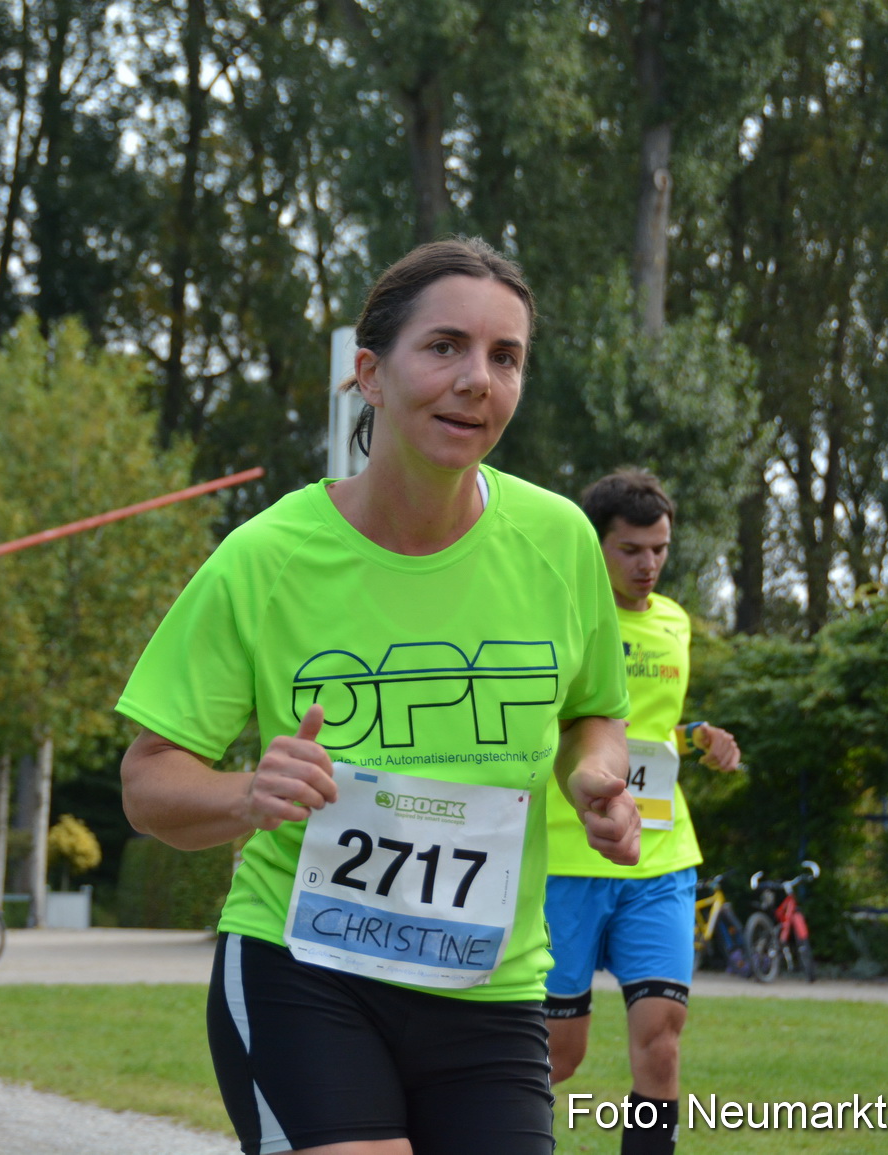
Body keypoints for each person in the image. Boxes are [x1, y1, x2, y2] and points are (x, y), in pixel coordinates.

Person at [118, 238, 641, 1155]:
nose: (477, 379)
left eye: (505, 357)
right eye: (444, 347)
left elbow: (593, 711)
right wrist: (247, 794)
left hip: (489, 986)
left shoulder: (559, 542)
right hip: (304, 971)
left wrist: (595, 774)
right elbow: (149, 781)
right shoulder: (266, 558)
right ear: (370, 372)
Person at [541, 469, 743, 1155]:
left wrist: (699, 738)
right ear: (594, 547)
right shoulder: (557, 614)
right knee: (555, 1055)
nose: (648, 564)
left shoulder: (676, 623)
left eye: (659, 548)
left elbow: (649, 731)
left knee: (661, 1045)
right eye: (631, 549)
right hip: (565, 858)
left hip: (660, 855)